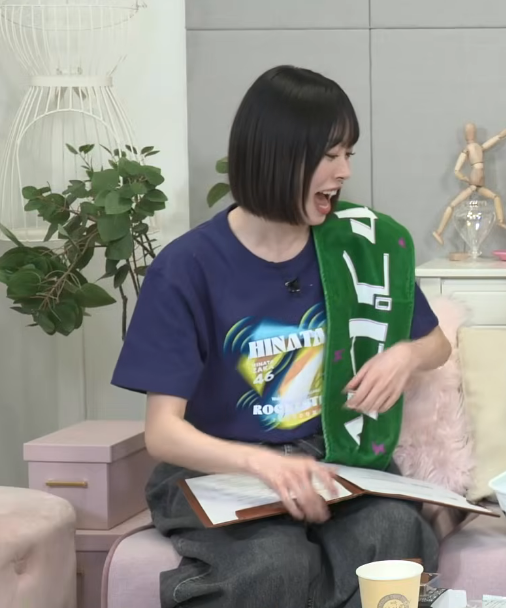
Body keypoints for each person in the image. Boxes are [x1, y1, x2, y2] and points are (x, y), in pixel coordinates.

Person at [111, 65, 451, 608]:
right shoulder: (187, 267)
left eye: (349, 155)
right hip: (221, 467)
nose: (344, 172)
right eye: (330, 155)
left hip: (332, 462)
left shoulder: (358, 247)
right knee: (275, 563)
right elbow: (163, 433)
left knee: (392, 529)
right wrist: (263, 464)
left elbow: (437, 345)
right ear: (279, 155)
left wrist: (405, 356)